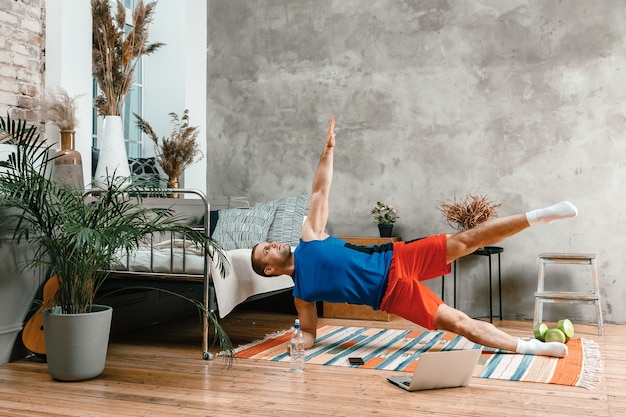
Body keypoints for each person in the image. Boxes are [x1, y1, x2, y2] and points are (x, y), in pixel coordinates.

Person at [251, 114, 578, 358]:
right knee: (459, 323)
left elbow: (320, 189)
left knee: (468, 240)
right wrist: (295, 345)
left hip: (396, 257)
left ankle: (539, 216)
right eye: (266, 249)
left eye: (269, 242)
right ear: (269, 269)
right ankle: (533, 348)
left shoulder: (308, 236)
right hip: (391, 297)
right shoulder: (302, 294)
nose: (273, 244)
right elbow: (308, 333)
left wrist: (328, 150)